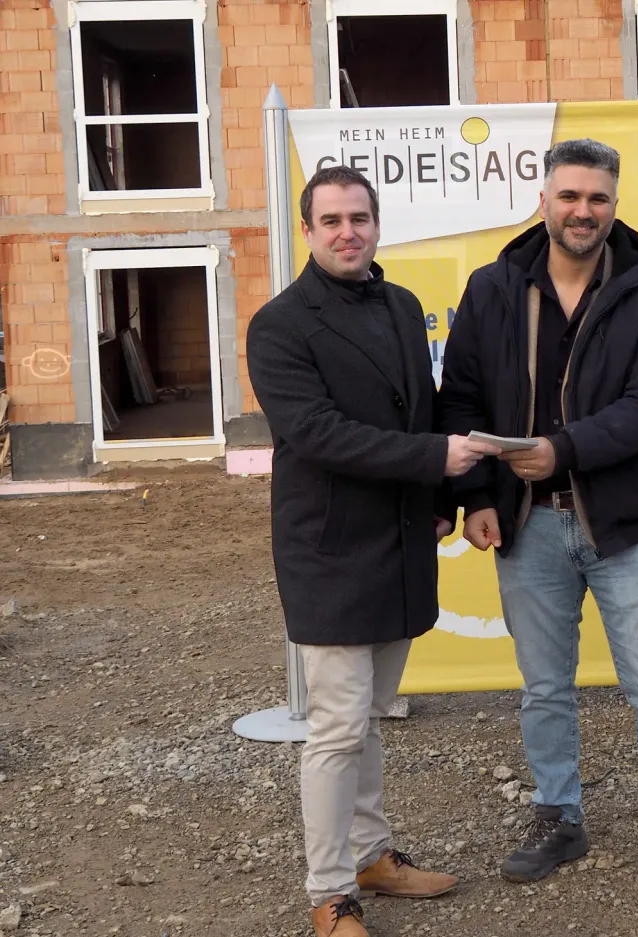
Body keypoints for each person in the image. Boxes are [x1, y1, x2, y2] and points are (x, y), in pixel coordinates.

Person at [438, 139, 638, 893]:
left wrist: (560, 450)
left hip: (621, 522)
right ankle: (558, 815)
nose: (582, 211)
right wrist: (474, 498)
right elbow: (459, 397)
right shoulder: (492, 287)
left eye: (597, 198)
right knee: (543, 685)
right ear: (544, 201)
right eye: (569, 196)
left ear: (615, 206)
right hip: (525, 522)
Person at [247, 165, 499, 937]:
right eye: (331, 220)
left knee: (368, 718)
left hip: (397, 541)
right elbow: (316, 432)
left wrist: (439, 501)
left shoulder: (400, 304)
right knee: (335, 727)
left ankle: (370, 853)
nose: (347, 231)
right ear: (308, 230)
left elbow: (421, 410)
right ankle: (330, 892)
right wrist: (432, 465)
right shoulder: (279, 324)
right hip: (329, 549)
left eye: (359, 216)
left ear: (377, 223)